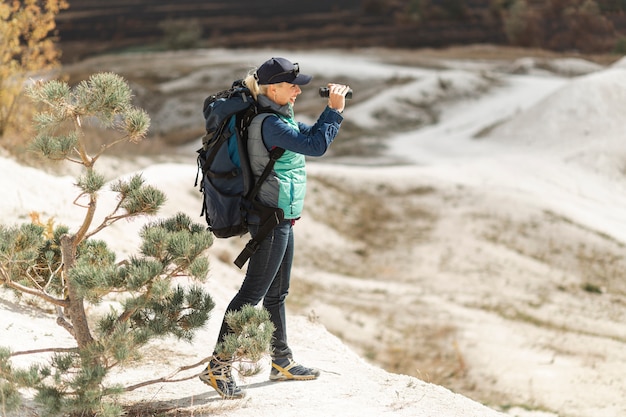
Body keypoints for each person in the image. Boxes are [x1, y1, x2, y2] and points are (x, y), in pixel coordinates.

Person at [199, 57, 350, 399]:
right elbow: (317, 146)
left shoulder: (279, 118)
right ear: (272, 89)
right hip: (270, 219)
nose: (299, 90)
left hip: (282, 217)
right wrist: (334, 111)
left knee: (276, 294)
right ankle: (217, 368)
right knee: (251, 295)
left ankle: (281, 360)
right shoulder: (268, 123)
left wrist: (324, 119)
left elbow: (305, 138)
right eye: (293, 85)